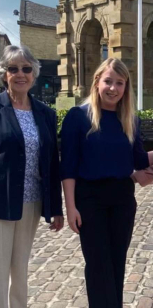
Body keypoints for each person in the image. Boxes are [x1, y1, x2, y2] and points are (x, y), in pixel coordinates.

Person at [0, 45, 63, 308]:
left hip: (30, 203)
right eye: (13, 68)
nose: (21, 74)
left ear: (34, 74)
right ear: (4, 73)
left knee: (20, 271)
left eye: (26, 69)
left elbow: (52, 163)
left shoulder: (46, 114)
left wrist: (56, 208)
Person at [61, 58, 153, 308]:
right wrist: (71, 207)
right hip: (90, 200)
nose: (113, 88)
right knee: (98, 266)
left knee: (116, 264)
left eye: (119, 83)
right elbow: (68, 167)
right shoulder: (78, 117)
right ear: (97, 82)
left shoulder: (129, 119)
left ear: (126, 87)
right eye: (108, 81)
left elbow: (138, 158)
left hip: (123, 199)